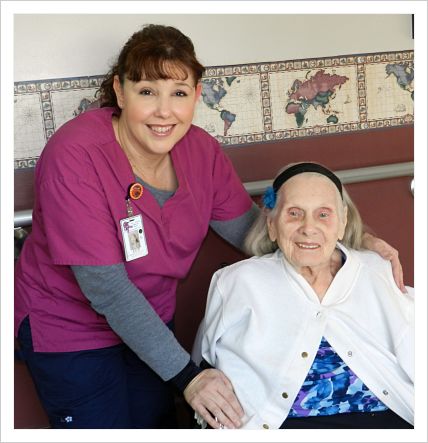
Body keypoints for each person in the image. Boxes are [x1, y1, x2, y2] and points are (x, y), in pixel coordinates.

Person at [14, 23, 405, 429]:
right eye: (147, 91)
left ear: (197, 96)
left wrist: (355, 244)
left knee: (159, 426)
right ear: (119, 90)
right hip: (69, 328)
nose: (164, 111)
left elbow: (251, 231)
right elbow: (107, 290)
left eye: (179, 94)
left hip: (149, 322)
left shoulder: (200, 151)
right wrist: (188, 377)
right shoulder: (75, 156)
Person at [195, 162, 414, 429]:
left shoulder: (378, 271)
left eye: (323, 214)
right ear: (272, 224)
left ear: (342, 222)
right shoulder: (237, 282)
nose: (308, 228)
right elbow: (204, 365)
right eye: (294, 214)